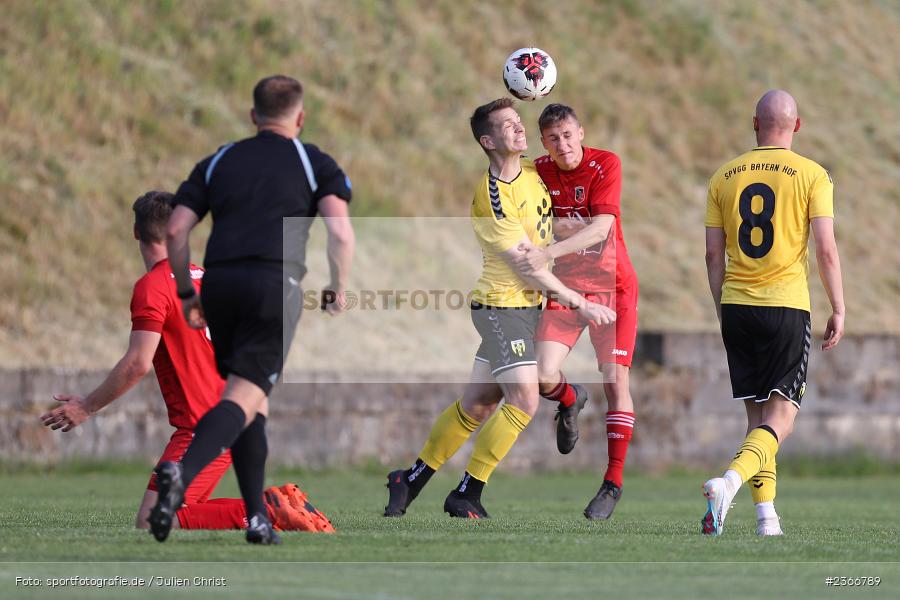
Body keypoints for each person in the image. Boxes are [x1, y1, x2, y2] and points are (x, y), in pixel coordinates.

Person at [40, 191, 333, 534]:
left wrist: (86, 407)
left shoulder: (153, 287)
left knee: (152, 522)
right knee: (182, 510)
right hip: (232, 415)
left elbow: (138, 363)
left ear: (136, 233)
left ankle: (270, 510)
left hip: (202, 427)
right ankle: (273, 504)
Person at [383, 98, 615, 519]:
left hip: (523, 309)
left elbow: (543, 228)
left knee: (476, 406)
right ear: (488, 140)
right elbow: (530, 266)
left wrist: (572, 229)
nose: (520, 129)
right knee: (524, 400)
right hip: (500, 307)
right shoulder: (490, 196)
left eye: (518, 121)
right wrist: (581, 303)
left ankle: (409, 479)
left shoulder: (531, 173)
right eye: (508, 126)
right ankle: (468, 493)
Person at [153, 75, 355, 544]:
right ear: (300, 118)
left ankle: (257, 520)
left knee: (253, 402)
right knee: (241, 398)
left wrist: (187, 293)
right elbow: (341, 233)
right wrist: (336, 288)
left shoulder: (222, 158)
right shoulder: (311, 159)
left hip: (221, 285)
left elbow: (178, 230)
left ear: (253, 116)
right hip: (274, 283)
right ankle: (181, 475)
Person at [701, 89, 845, 536]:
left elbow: (712, 255)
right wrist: (839, 305)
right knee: (781, 419)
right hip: (785, 305)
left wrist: (721, 306)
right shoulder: (812, 174)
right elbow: (825, 249)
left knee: (756, 420)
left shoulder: (724, 175)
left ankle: (767, 519)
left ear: (754, 124)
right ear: (796, 126)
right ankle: (729, 482)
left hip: (737, 305)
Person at [513, 103, 639, 520]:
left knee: (615, 382)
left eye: (568, 135)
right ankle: (570, 398)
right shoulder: (538, 172)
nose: (563, 145)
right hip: (566, 289)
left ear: (581, 132)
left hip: (613, 289)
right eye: (553, 138)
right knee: (542, 373)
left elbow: (602, 227)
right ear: (544, 142)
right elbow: (526, 222)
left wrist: (551, 245)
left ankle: (613, 483)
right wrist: (563, 231)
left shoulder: (606, 165)